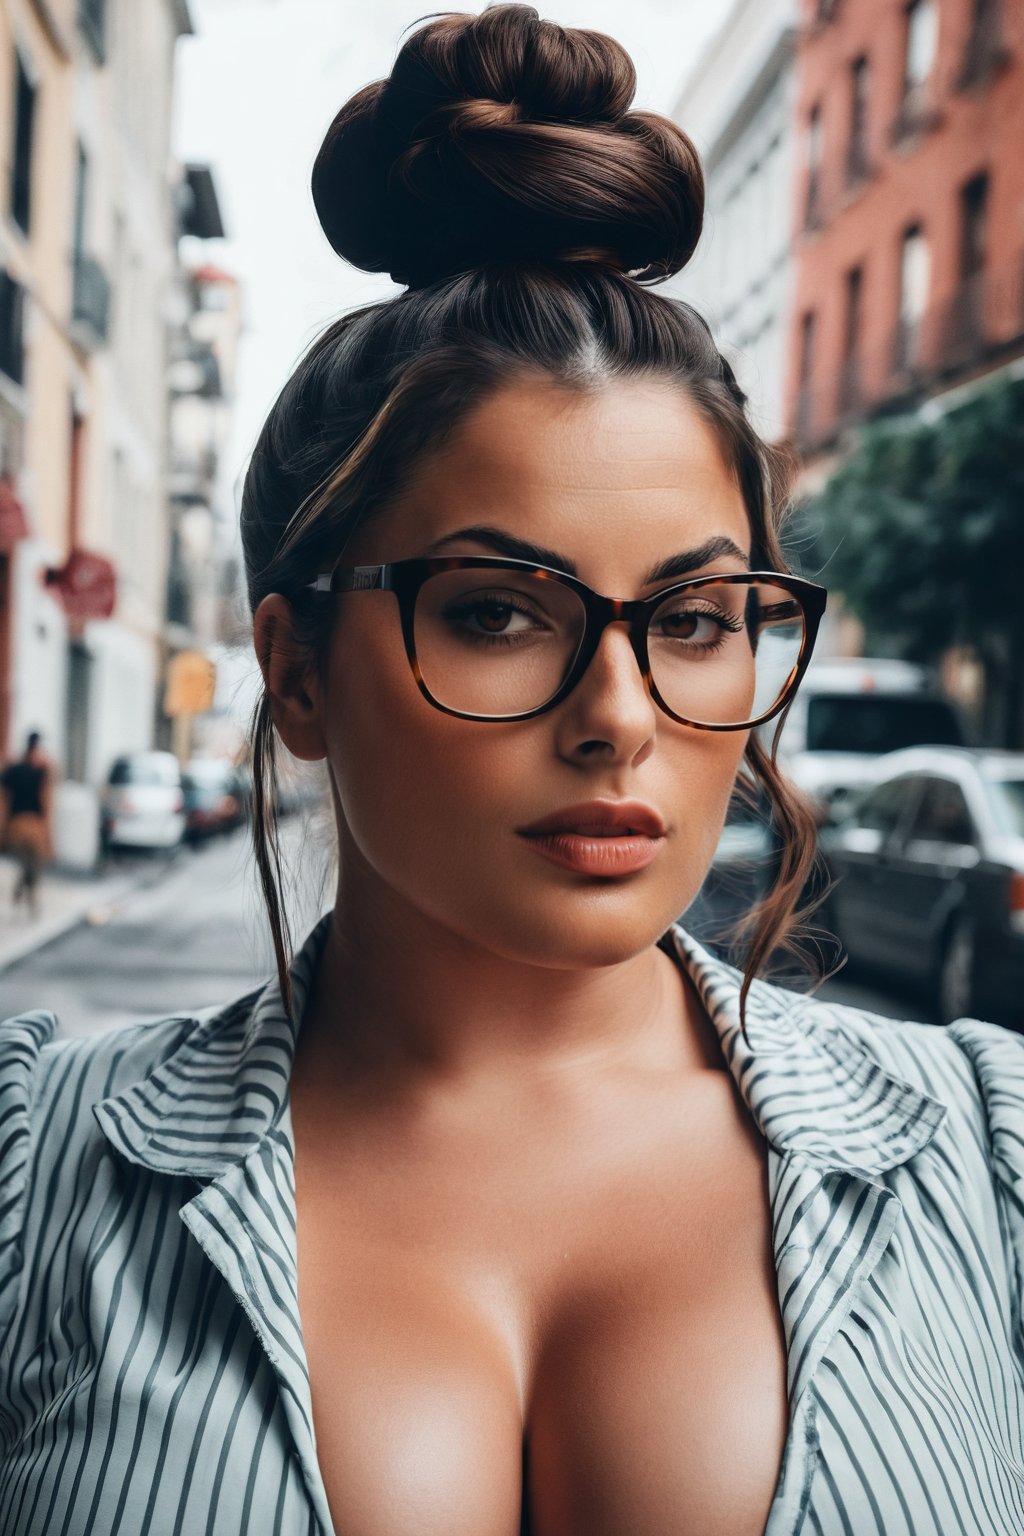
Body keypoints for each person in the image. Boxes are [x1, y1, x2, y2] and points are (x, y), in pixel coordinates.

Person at [1, 8, 1023, 1534]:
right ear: (292, 672)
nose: (619, 714)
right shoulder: (39, 1184)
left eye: (692, 619)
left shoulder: (991, 1164)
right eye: (494, 611)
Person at [0, 729, 53, 918]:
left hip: (33, 824)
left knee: (33, 865)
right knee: (29, 865)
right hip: (21, 824)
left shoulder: (41, 771)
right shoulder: (18, 769)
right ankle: (30, 900)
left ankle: (23, 896)